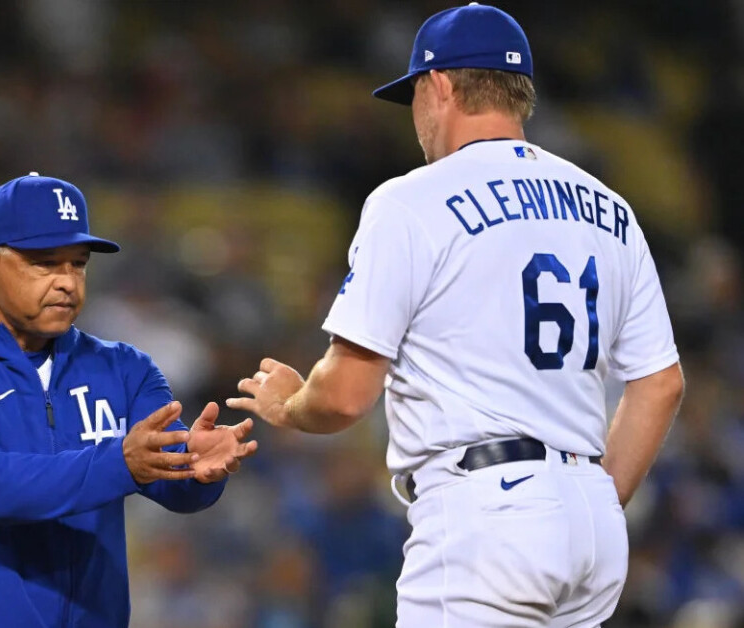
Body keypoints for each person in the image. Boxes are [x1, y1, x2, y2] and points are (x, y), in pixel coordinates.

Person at [227, 4, 684, 627]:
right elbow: (660, 383)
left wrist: (291, 405)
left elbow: (345, 397)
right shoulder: (608, 205)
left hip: (485, 515)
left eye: (414, 94)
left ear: (438, 85)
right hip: (594, 524)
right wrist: (596, 496)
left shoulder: (411, 200)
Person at [0, 172, 258, 627]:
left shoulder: (125, 369)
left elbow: (167, 481)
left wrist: (197, 470)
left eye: (77, 264)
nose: (67, 282)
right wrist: (120, 464)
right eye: (44, 263)